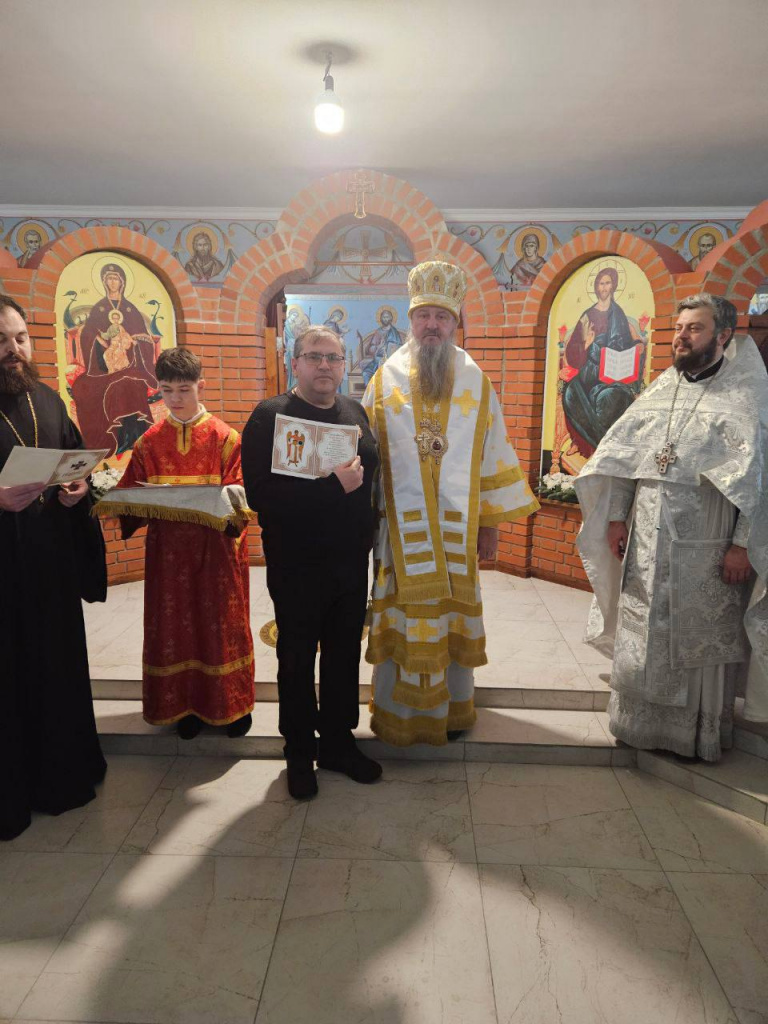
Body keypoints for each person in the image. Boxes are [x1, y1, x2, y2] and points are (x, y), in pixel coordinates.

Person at [575, 294, 768, 762]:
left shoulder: (745, 397)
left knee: (695, 635)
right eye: (679, 328)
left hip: (708, 539)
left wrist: (743, 545)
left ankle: (693, 736)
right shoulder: (661, 389)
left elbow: (758, 481)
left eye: (694, 328)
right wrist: (617, 517)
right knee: (642, 628)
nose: (682, 337)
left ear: (723, 336)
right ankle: (635, 726)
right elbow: (627, 462)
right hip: (646, 536)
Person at [363, 260, 540, 746]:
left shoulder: (475, 379)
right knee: (404, 613)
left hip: (456, 532)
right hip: (400, 533)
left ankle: (453, 712)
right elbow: (368, 449)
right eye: (424, 316)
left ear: (455, 324)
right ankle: (397, 712)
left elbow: (493, 450)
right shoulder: (385, 377)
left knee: (450, 615)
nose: (432, 325)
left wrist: (490, 524)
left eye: (442, 317)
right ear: (410, 321)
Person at [242, 326, 381, 799]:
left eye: (333, 358)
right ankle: (299, 752)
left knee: (343, 655)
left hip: (349, 561)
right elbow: (260, 495)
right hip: (297, 562)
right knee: (297, 658)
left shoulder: (355, 412)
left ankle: (338, 743)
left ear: (344, 366)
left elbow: (370, 477)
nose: (324, 365)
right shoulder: (270, 416)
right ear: (295, 363)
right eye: (314, 356)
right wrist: (331, 488)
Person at [102, 348, 254, 739]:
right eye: (167, 390)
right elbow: (131, 495)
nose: (175, 398)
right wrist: (108, 497)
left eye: (184, 389)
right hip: (168, 557)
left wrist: (224, 500)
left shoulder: (225, 438)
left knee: (221, 627)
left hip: (216, 554)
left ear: (201, 385)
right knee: (175, 630)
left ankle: (232, 705)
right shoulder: (149, 442)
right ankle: (185, 706)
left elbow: (242, 495)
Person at [0, 295, 107, 841]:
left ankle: (64, 777)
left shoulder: (47, 398)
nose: (13, 349)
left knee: (56, 666)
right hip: (3, 573)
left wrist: (77, 489)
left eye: (20, 337)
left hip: (50, 567)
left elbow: (73, 457)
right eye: (1, 341)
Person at [70, 262, 158, 457]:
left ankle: (134, 439)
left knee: (131, 384)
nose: (112, 282)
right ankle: (116, 441)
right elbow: (88, 333)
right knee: (89, 389)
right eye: (109, 278)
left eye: (116, 278)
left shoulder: (130, 309)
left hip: (132, 363)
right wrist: (100, 340)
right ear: (104, 282)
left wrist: (136, 341)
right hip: (104, 367)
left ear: (122, 282)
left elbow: (144, 336)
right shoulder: (99, 308)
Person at [562, 266, 645, 458]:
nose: (604, 287)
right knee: (571, 394)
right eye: (601, 283)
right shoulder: (587, 315)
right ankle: (588, 443)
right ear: (596, 286)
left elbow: (627, 341)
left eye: (607, 283)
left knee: (611, 396)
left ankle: (606, 447)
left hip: (613, 373)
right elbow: (572, 350)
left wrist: (637, 345)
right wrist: (586, 344)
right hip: (589, 371)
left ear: (613, 286)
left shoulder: (618, 313)